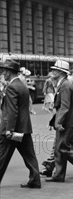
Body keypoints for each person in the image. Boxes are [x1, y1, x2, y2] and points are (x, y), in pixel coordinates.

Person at [0, 58, 41, 188]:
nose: (3, 74)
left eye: (4, 71)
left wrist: (9, 129)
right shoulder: (21, 85)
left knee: (2, 155)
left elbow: (12, 111)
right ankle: (35, 179)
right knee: (30, 156)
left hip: (13, 128)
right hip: (24, 127)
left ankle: (34, 179)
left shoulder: (12, 87)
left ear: (9, 72)